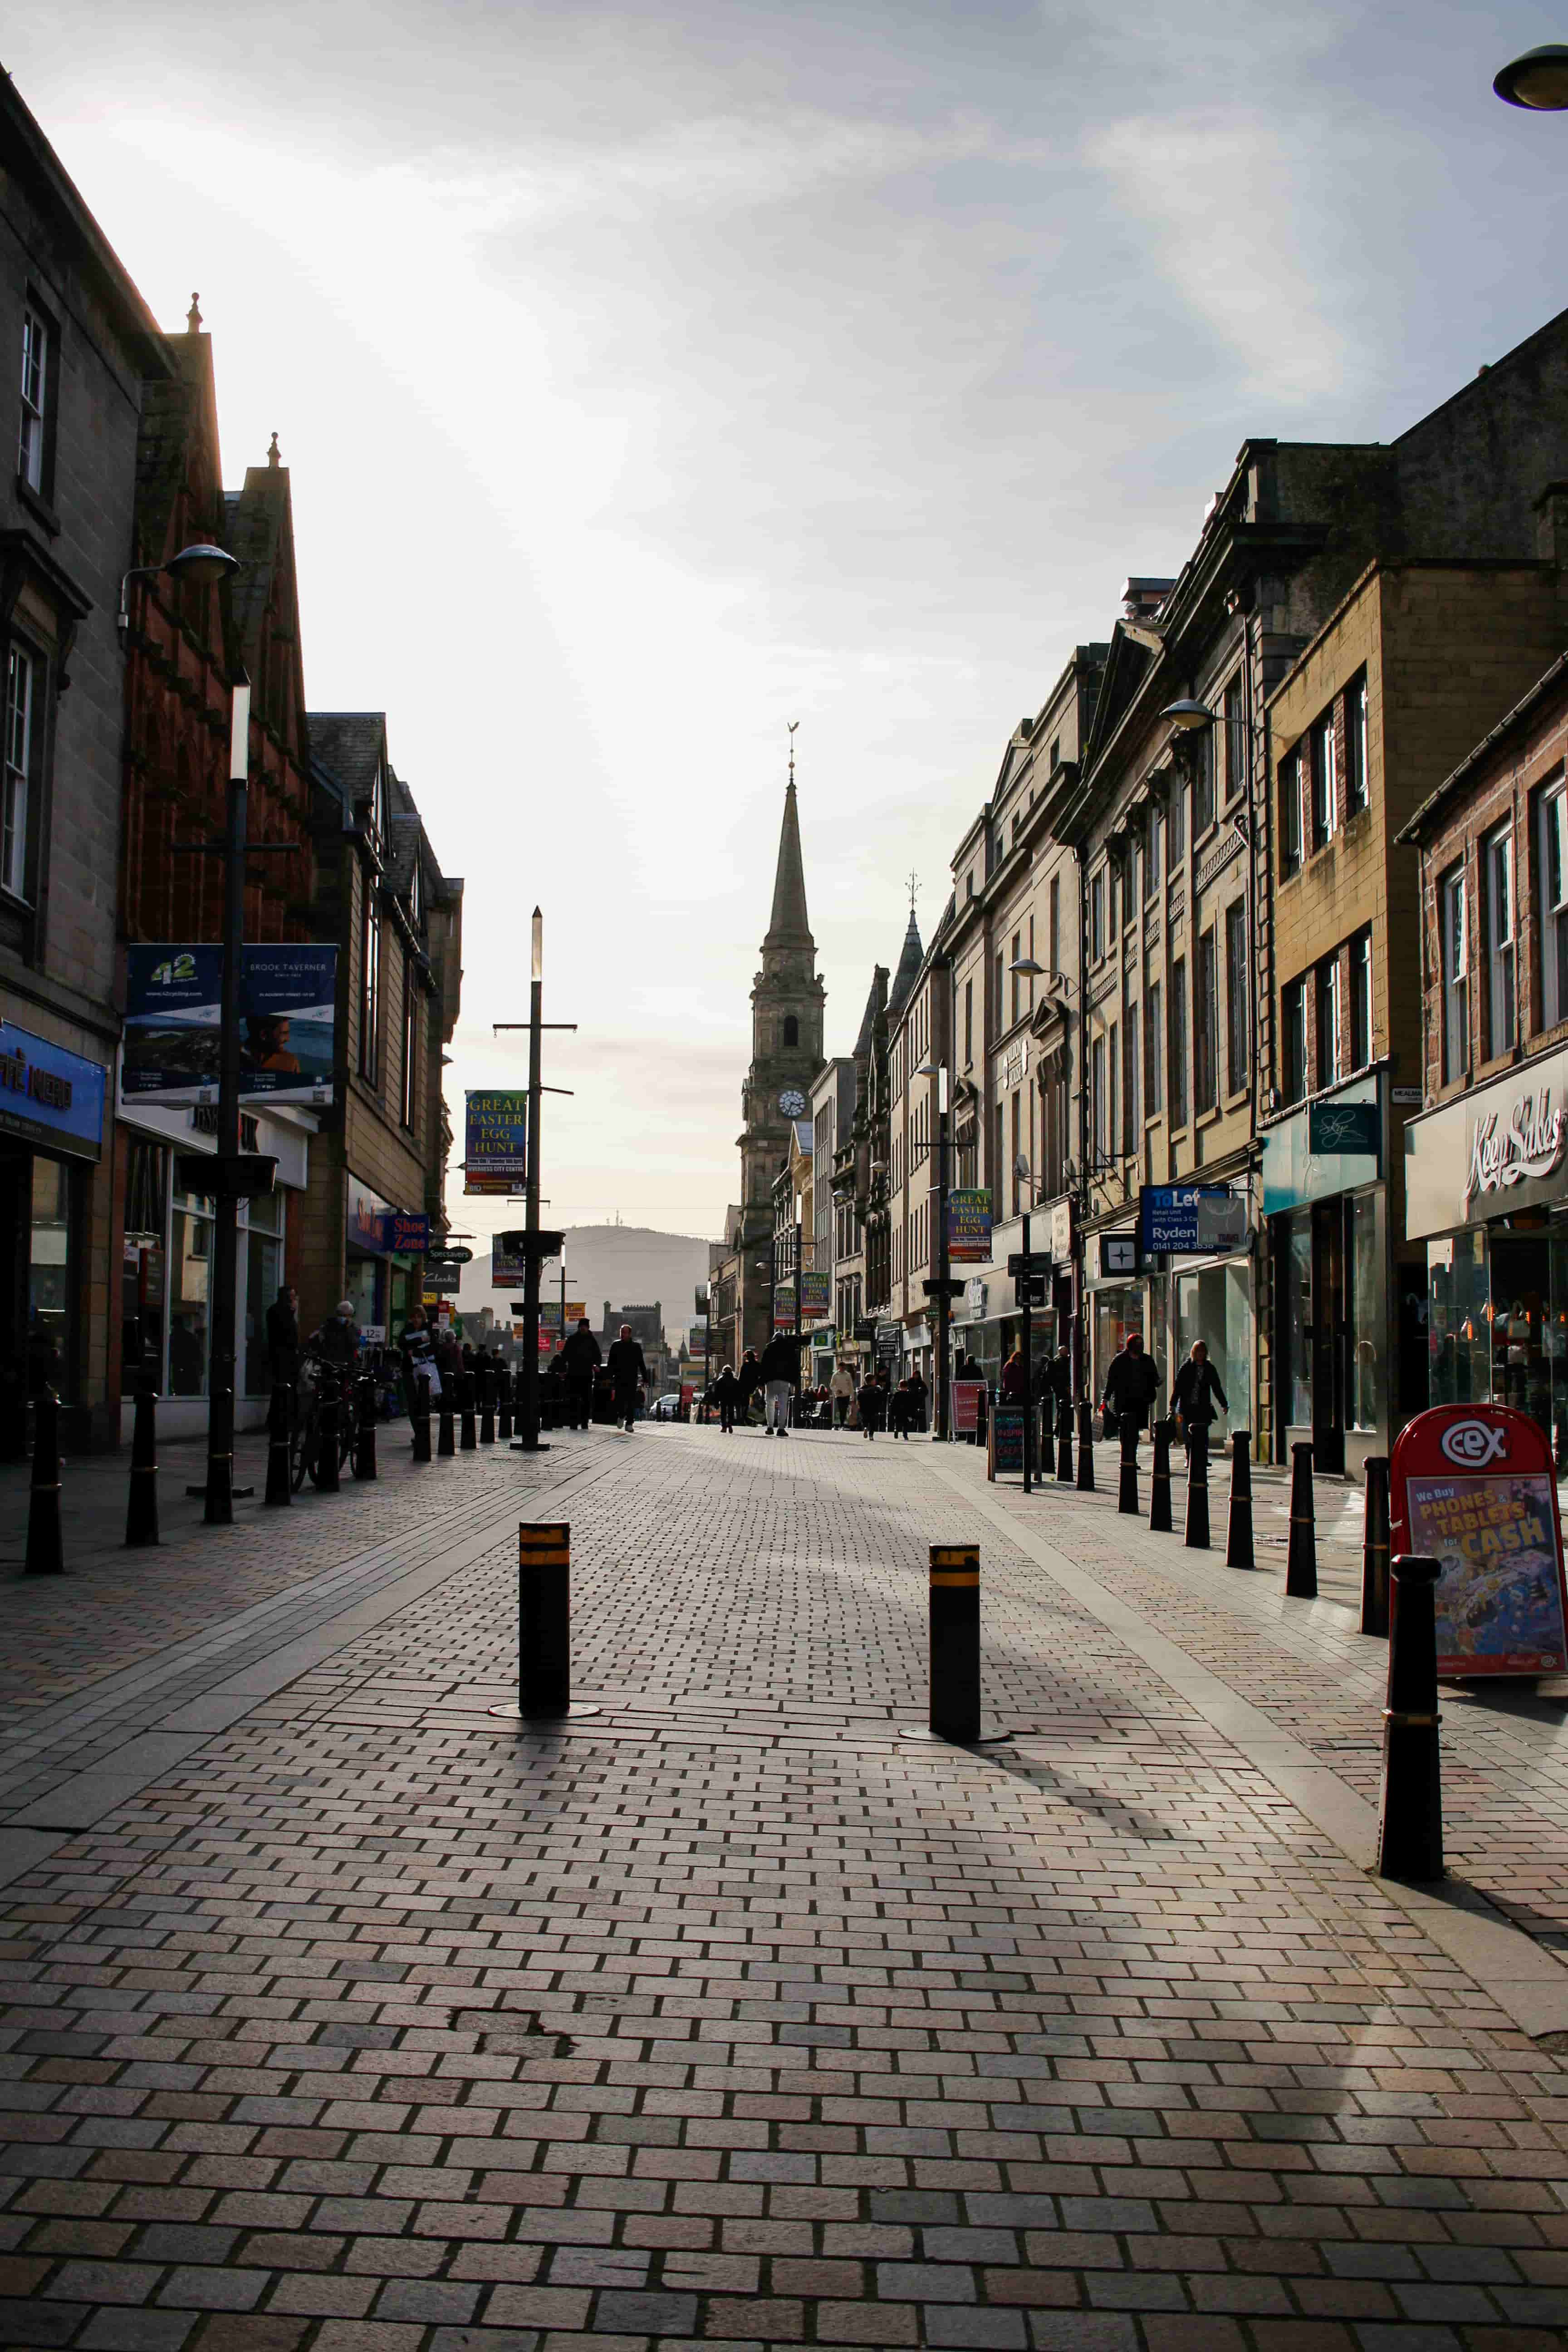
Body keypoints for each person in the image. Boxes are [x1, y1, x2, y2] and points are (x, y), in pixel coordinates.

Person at [1103, 1330, 1161, 1441]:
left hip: (1141, 1400)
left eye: (1141, 1345)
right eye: (1136, 1344)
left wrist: (1157, 1383)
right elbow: (1112, 1381)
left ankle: (1131, 1449)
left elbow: (1154, 1377)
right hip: (1124, 1400)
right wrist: (1106, 1398)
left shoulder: (1147, 1360)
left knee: (1136, 1427)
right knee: (1125, 1426)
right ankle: (1126, 1448)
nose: (1139, 1347)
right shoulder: (1120, 1360)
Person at [1171, 1338, 1228, 1450]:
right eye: (1198, 1351)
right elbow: (1178, 1387)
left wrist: (1224, 1404)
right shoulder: (1187, 1367)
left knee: (1203, 1433)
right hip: (1188, 1406)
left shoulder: (1209, 1368)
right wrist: (1172, 1404)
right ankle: (1189, 1456)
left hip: (1203, 1406)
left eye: (1202, 1352)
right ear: (1194, 1353)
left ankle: (1203, 1457)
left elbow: (1217, 1388)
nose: (1200, 1354)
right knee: (1189, 1434)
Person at [606, 1322, 649, 1431]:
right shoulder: (615, 1345)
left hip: (631, 1378)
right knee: (620, 1400)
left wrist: (645, 1378)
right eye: (622, 1332)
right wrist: (609, 1376)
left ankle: (630, 1423)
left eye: (625, 1333)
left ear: (630, 1334)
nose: (623, 1335)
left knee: (631, 1401)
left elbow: (641, 1364)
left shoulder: (636, 1347)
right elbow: (610, 1363)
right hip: (619, 1377)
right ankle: (621, 1415)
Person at [560, 1316, 601, 1430]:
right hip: (574, 1373)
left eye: (585, 1327)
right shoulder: (573, 1339)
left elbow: (597, 1355)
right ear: (579, 1328)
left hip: (586, 1374)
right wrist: (563, 1369)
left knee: (586, 1400)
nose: (584, 1329)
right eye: (582, 1327)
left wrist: (596, 1365)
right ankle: (574, 1422)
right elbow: (565, 1355)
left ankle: (584, 1422)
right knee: (573, 1399)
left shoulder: (591, 1340)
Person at [399, 1305, 439, 1417]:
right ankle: (417, 1432)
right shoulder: (407, 1329)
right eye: (414, 1317)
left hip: (424, 1369)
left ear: (423, 1318)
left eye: (419, 1317)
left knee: (423, 1401)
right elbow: (402, 1344)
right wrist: (421, 1339)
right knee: (412, 1402)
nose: (416, 1320)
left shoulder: (429, 1330)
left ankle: (422, 1432)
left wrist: (414, 1349)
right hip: (409, 1368)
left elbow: (434, 1348)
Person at [757, 1329, 799, 1436]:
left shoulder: (769, 1348)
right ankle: (781, 1429)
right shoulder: (789, 1349)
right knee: (783, 1405)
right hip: (784, 1381)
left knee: (769, 1404)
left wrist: (761, 1382)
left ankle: (770, 1427)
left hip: (770, 1380)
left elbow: (764, 1366)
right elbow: (794, 1365)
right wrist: (794, 1380)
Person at [266, 1284, 300, 1391]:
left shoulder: (275, 1310)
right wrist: (292, 1311)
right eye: (293, 1297)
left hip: (282, 1354)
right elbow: (287, 1332)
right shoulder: (281, 1312)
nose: (295, 1299)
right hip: (283, 1355)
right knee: (285, 1386)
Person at [1000, 1339, 1031, 1406]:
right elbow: (1006, 1377)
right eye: (1017, 1358)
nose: (1018, 1359)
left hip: (1019, 1389)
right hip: (1012, 1389)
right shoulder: (1010, 1366)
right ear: (1014, 1358)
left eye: (1020, 1358)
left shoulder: (1020, 1367)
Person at [712, 1362, 740, 1433]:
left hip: (723, 1399)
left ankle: (724, 1427)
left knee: (723, 1413)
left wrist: (716, 1402)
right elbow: (738, 1392)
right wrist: (737, 1400)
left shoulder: (720, 1380)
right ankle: (730, 1424)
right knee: (731, 1412)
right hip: (732, 1399)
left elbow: (717, 1392)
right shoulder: (735, 1381)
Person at [861, 1367, 887, 1439]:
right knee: (873, 1422)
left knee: (865, 1420)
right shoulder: (876, 1388)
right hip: (874, 1408)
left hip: (864, 1408)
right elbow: (881, 1397)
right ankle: (871, 1435)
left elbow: (859, 1398)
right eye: (874, 1380)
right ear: (872, 1381)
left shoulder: (862, 1389)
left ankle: (865, 1428)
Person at [829, 1358, 856, 1429]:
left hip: (847, 1395)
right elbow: (831, 1386)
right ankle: (842, 1425)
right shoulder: (835, 1375)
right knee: (841, 1409)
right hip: (839, 1395)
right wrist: (837, 1390)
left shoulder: (848, 1375)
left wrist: (852, 1397)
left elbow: (851, 1386)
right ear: (839, 1367)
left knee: (844, 1409)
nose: (843, 1368)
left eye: (844, 1367)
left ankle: (843, 1425)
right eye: (842, 1367)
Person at [906, 1366, 928, 1434]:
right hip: (911, 1401)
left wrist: (921, 1392)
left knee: (919, 1416)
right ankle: (911, 1428)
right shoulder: (910, 1381)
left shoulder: (921, 1382)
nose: (916, 1376)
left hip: (919, 1401)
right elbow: (908, 1390)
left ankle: (921, 1429)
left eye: (917, 1375)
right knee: (912, 1416)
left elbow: (926, 1391)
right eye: (915, 1375)